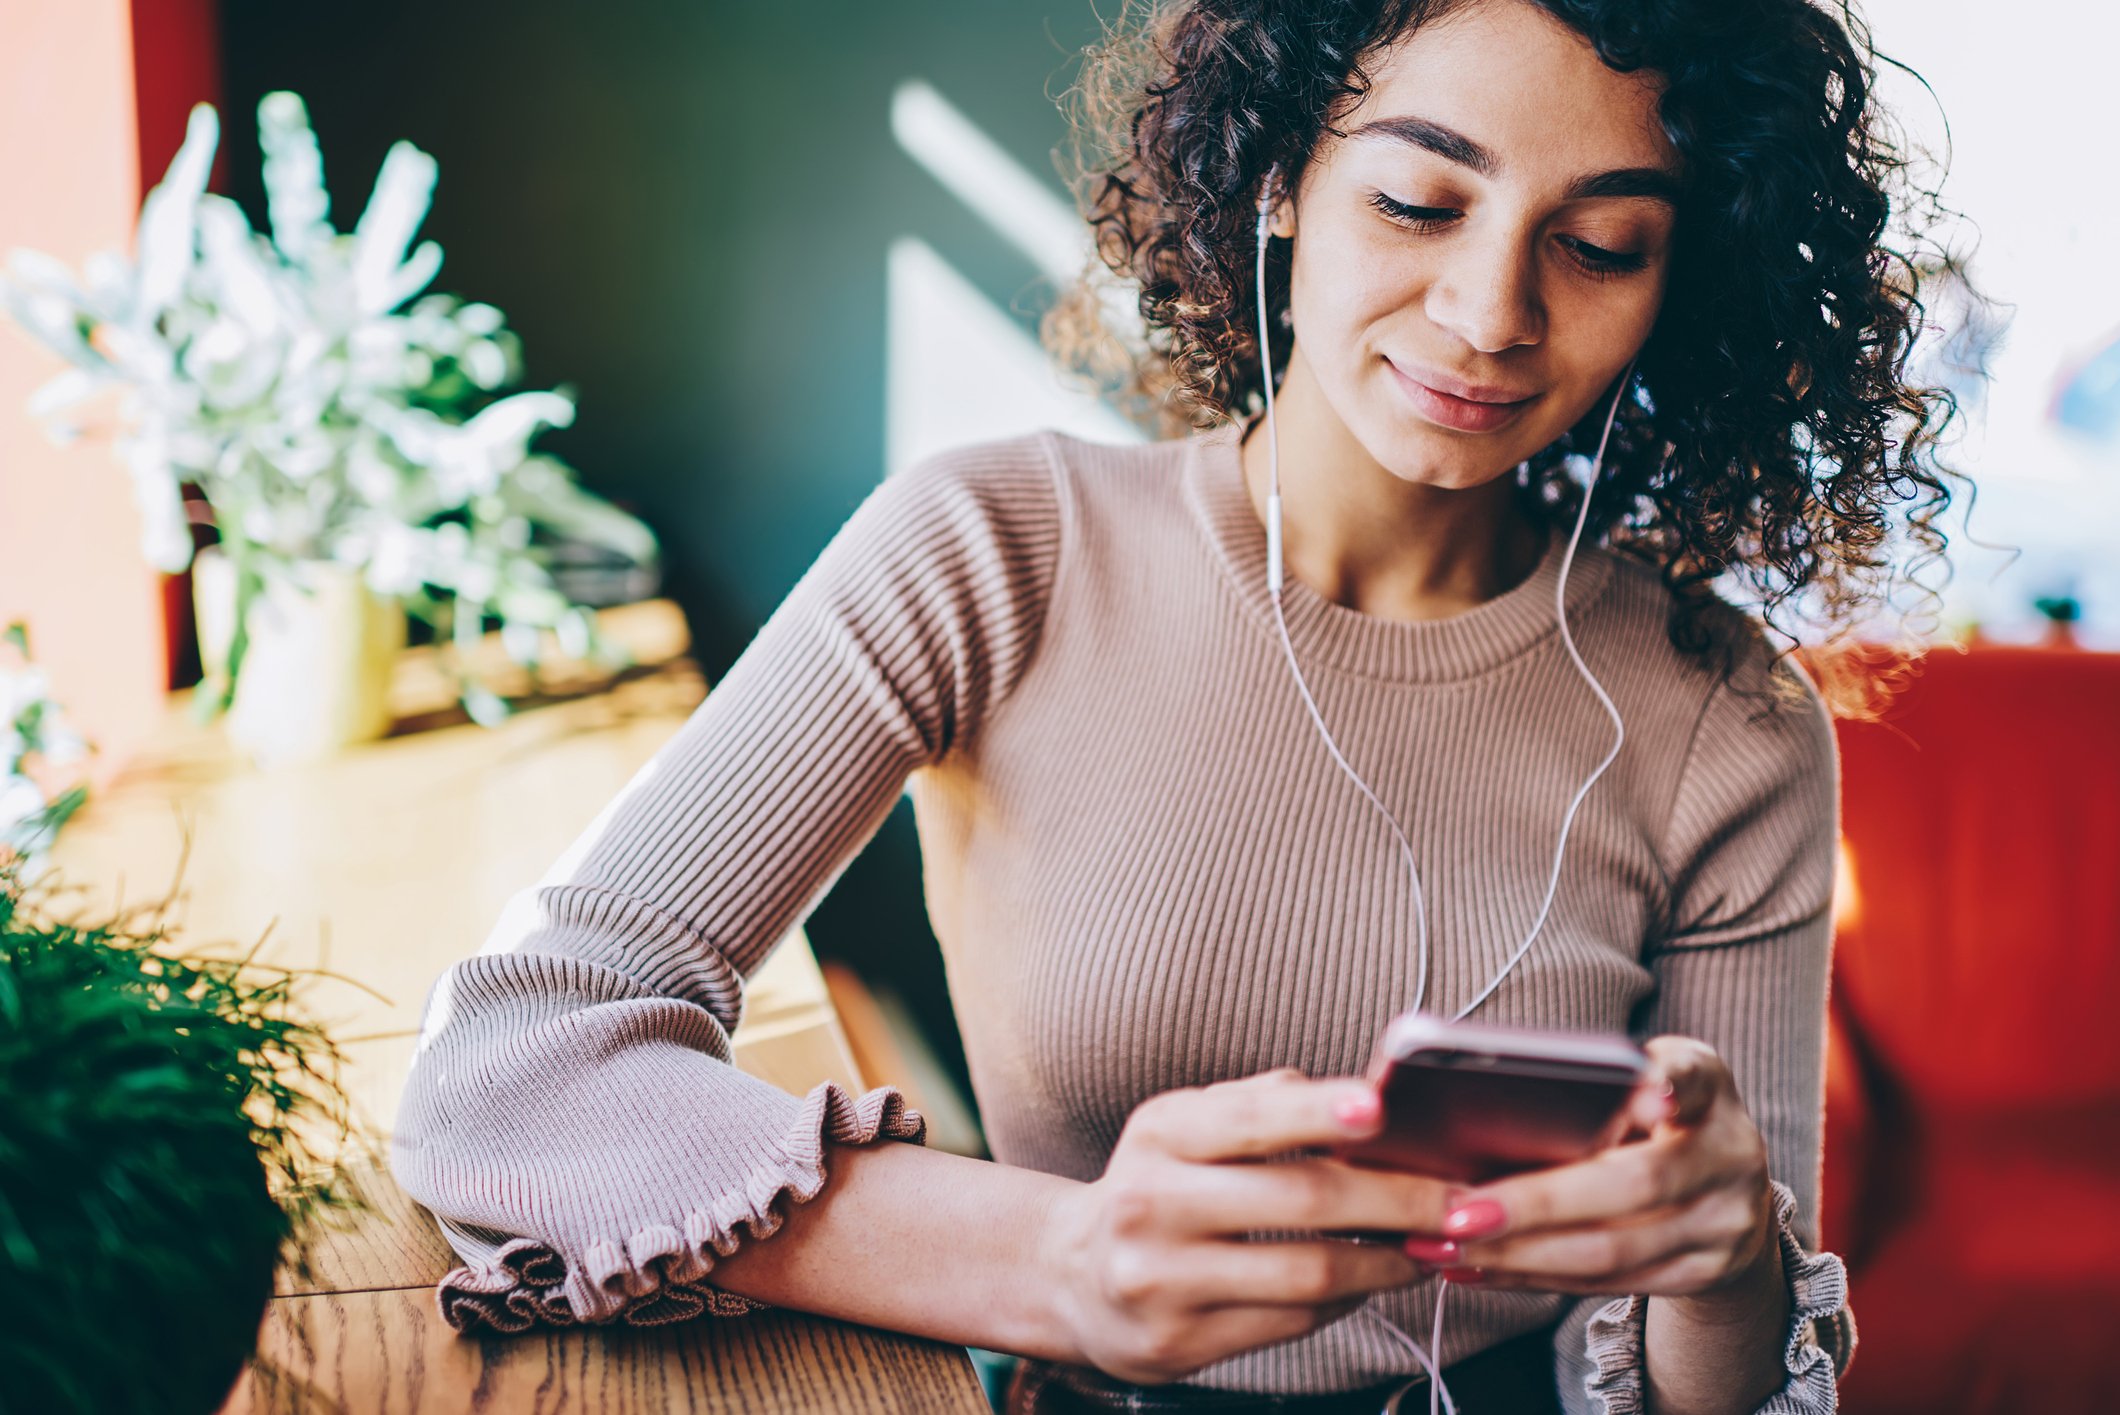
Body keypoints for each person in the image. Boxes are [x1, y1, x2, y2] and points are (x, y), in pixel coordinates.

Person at [391, 0, 1975, 1410]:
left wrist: (1722, 1255)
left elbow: (1741, 1400)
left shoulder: (1730, 725)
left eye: (1603, 243)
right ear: (1280, 176)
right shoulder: (997, 554)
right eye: (1420, 199)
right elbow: (507, 1077)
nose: (1493, 312)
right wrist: (1061, 1260)